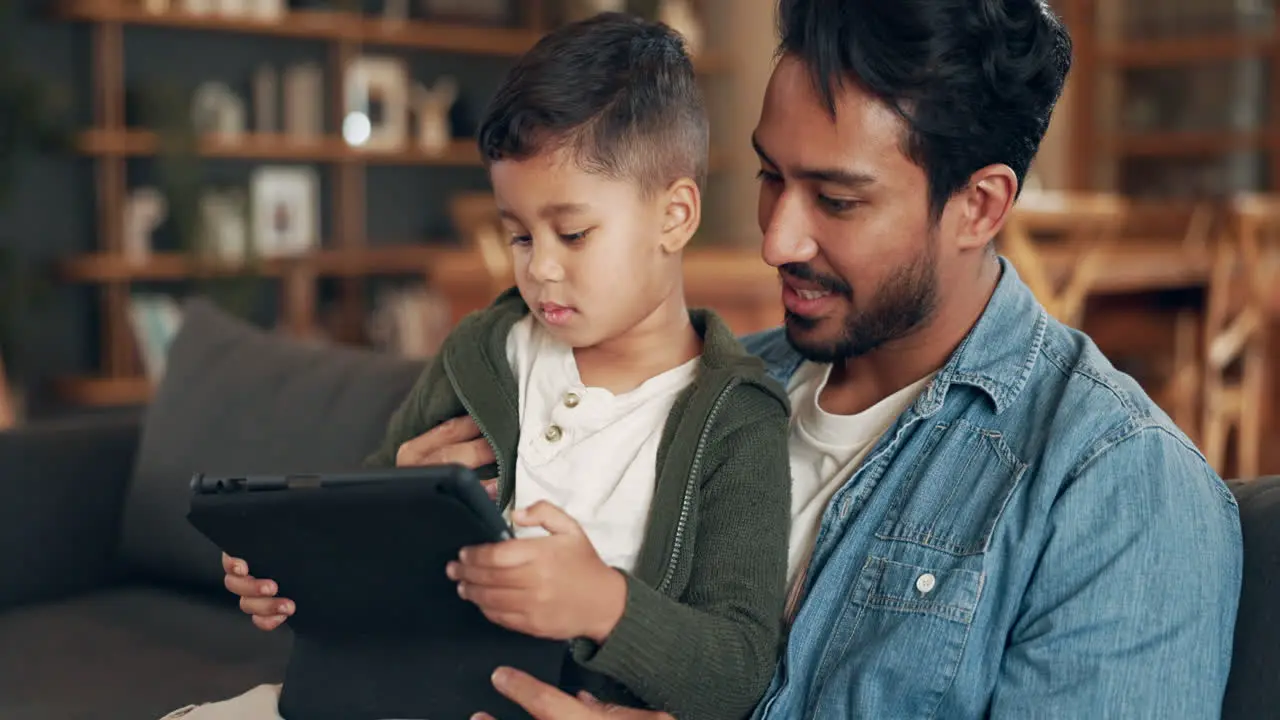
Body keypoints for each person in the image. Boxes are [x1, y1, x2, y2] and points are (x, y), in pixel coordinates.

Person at [305, 0, 1247, 718]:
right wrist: (397, 534)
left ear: (980, 206)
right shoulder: (693, 390)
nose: (775, 241)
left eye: (836, 200)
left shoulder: (1120, 492)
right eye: (768, 176)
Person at [206, 11, 793, 720]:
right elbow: (366, 505)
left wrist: (605, 604)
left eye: (572, 234)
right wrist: (300, 564)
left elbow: (738, 670)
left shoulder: (735, 421)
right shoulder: (483, 350)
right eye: (516, 233)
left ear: (674, 216)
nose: (540, 267)